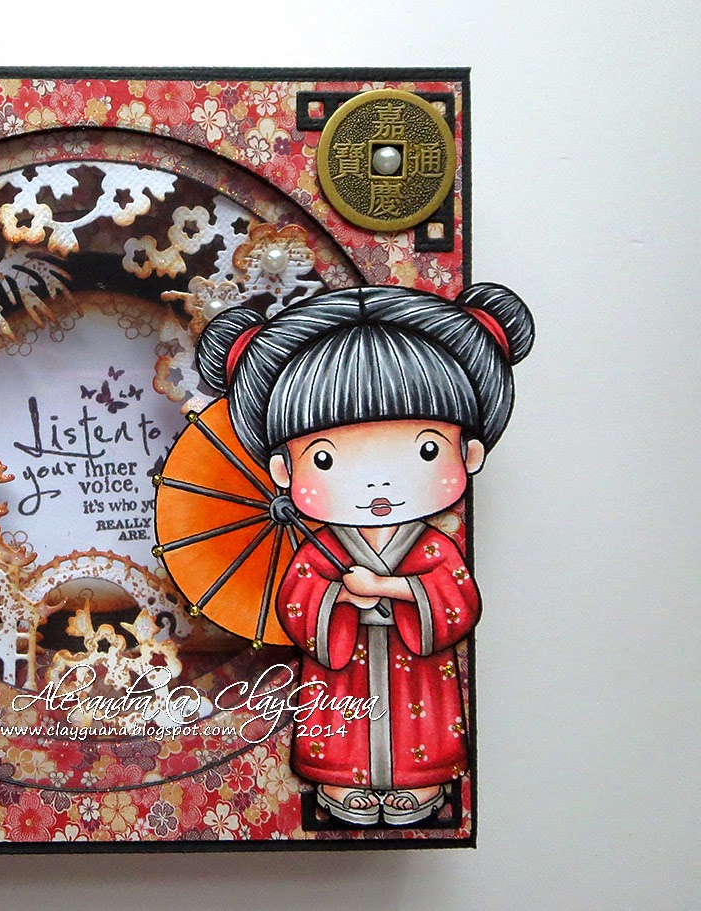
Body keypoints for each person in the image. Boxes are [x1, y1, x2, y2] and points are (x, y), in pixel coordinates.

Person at [195, 283, 533, 826]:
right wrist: (339, 601)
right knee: (338, 727)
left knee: (421, 727)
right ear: (284, 470)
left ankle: (420, 785)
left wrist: (389, 589)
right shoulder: (324, 549)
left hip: (417, 666)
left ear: (469, 454)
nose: (378, 483)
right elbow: (298, 603)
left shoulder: (432, 545)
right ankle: (338, 783)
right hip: (343, 669)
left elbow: (458, 602)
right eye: (326, 459)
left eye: (425, 450)